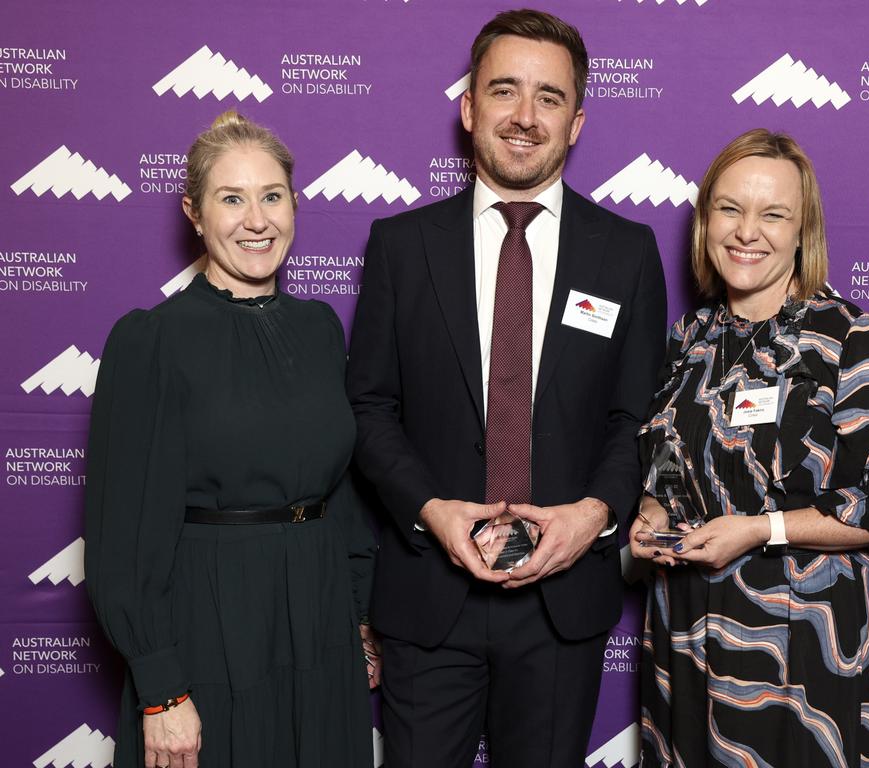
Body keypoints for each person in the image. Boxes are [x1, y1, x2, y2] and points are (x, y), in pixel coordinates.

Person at [345, 9, 667, 767]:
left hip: (562, 605)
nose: (525, 117)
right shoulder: (400, 246)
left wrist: (592, 517)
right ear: (468, 108)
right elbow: (369, 408)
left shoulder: (626, 253)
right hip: (430, 595)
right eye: (505, 91)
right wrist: (430, 511)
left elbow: (636, 417)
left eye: (549, 98)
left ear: (577, 121)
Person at [630, 128, 869, 767]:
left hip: (803, 642)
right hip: (686, 632)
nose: (748, 231)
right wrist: (652, 514)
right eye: (730, 208)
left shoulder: (847, 339)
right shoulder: (691, 337)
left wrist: (758, 529)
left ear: (802, 232)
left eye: (773, 214)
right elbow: (670, 459)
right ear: (704, 221)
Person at [85, 110, 378, 768]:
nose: (257, 220)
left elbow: (345, 493)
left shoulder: (320, 328)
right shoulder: (151, 342)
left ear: (295, 205)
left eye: (272, 196)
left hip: (320, 618)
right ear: (194, 212)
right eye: (232, 199)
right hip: (211, 624)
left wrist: (358, 617)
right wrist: (161, 690)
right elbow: (122, 536)